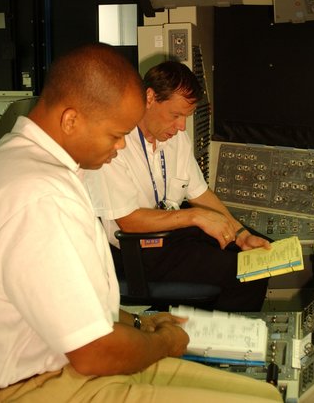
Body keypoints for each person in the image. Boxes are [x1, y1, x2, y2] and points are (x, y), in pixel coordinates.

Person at [0, 43, 281, 402]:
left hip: (65, 362)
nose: (119, 147)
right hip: (30, 384)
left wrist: (139, 323)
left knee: (266, 395)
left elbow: (70, 303)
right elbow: (94, 351)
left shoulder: (30, 162)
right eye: (115, 136)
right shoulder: (37, 196)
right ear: (71, 120)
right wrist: (162, 341)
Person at [84, 60, 270, 312]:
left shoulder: (176, 140)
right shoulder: (116, 143)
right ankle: (227, 344)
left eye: (186, 117)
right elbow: (128, 221)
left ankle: (198, 330)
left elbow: (200, 194)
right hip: (134, 250)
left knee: (258, 255)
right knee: (244, 274)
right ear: (149, 97)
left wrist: (241, 235)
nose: (182, 126)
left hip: (168, 234)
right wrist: (195, 216)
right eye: (176, 115)